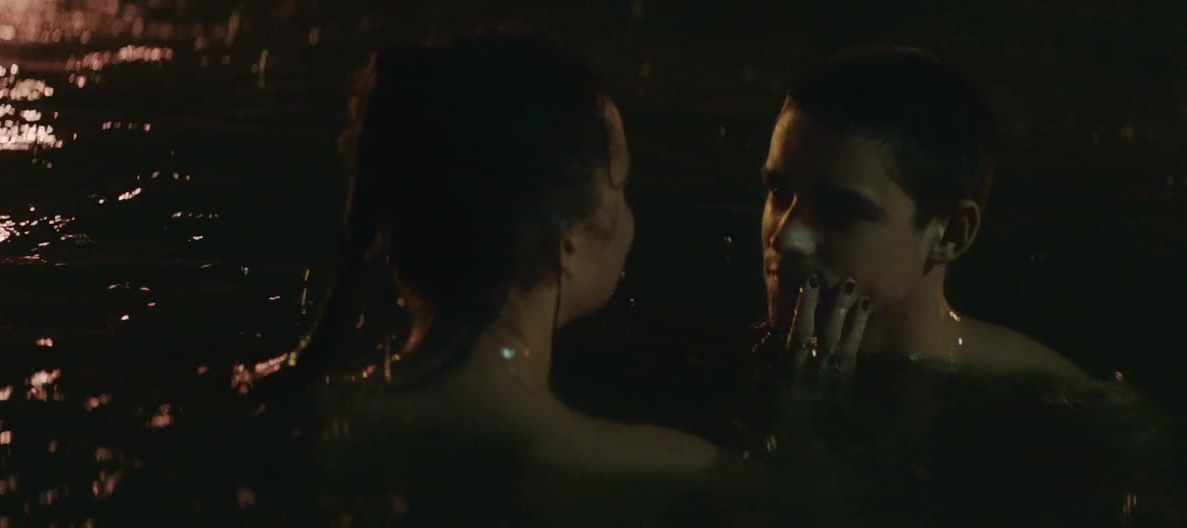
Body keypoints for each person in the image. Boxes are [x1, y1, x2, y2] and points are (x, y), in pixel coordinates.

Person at [300, 32, 840, 527]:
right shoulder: (665, 471)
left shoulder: (308, 408)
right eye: (621, 187)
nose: (630, 217)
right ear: (569, 242)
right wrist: (803, 413)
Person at [754, 45, 1173, 525]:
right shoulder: (740, 351)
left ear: (950, 234)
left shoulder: (1051, 409)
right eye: (778, 191)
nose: (787, 235)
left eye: (840, 211)